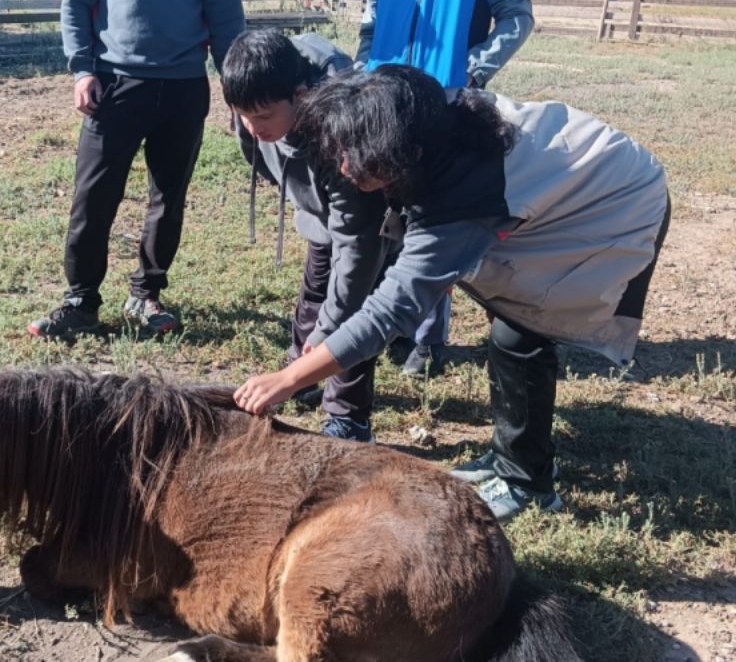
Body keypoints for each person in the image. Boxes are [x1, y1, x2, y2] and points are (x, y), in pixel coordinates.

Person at [233, 66, 670, 521]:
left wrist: (288, 379)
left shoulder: (462, 197)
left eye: (356, 155)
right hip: (578, 175)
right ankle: (510, 457)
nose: (344, 167)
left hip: (615, 203)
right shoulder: (419, 117)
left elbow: (392, 309)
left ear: (402, 154)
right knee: (511, 325)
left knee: (521, 330)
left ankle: (527, 482)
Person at [28, 0, 246, 339]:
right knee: (93, 197)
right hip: (113, 84)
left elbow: (227, 20)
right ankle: (81, 302)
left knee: (168, 198)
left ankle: (147, 295)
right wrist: (82, 70)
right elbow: (76, 2)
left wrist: (238, 89)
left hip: (184, 87)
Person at [221, 29, 393, 443]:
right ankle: (300, 373)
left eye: (262, 117)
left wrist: (327, 337)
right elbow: (260, 156)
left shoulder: (343, 137)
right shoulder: (255, 100)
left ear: (300, 95)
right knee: (313, 297)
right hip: (321, 214)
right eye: (243, 115)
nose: (252, 127)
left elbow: (356, 248)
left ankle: (348, 417)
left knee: (350, 314)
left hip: (366, 222)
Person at [357, 0, 535, 376]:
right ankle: (391, 323)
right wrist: (363, 69)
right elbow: (370, 17)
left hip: (448, 99)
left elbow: (517, 18)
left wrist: (471, 71)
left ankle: (428, 338)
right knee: (384, 209)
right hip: (382, 95)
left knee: (435, 215)